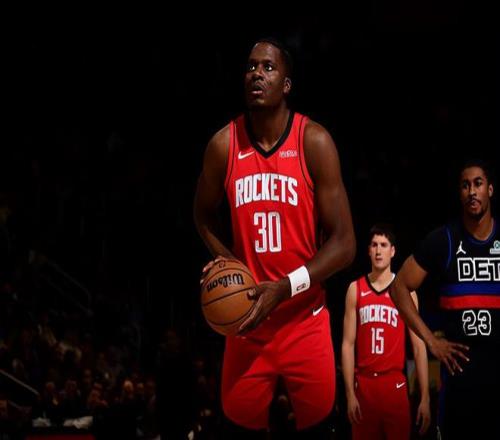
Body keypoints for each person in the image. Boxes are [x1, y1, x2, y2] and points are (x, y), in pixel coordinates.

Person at [193, 37, 356, 438]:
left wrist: (284, 288)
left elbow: (345, 244)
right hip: (247, 321)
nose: (256, 74)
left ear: (286, 84)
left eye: (268, 67)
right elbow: (202, 214)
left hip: (305, 319)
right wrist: (227, 261)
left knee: (321, 426)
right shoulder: (223, 145)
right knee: (237, 426)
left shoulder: (313, 141)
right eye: (251, 67)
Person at [390, 159, 500, 438]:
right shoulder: (445, 239)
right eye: (465, 186)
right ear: (459, 194)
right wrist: (431, 341)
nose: (472, 191)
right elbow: (399, 287)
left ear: (490, 189)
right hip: (458, 386)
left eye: (478, 184)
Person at [341, 224, 430, 439]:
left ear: (393, 251)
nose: (378, 250)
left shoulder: (405, 292)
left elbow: (419, 347)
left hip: (394, 384)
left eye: (383, 245)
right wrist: (350, 394)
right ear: (368, 250)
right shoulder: (355, 289)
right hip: (364, 385)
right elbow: (347, 345)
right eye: (374, 245)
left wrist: (425, 398)